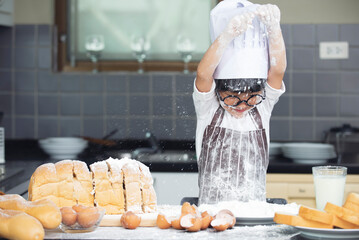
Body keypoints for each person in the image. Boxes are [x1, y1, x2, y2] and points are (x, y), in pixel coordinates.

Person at [193, 0, 287, 204]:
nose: (242, 104)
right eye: (232, 97)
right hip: (211, 213)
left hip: (255, 213)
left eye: (251, 97)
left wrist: (274, 29)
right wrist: (226, 37)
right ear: (218, 89)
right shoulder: (208, 108)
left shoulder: (263, 108)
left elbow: (277, 70)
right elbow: (203, 73)